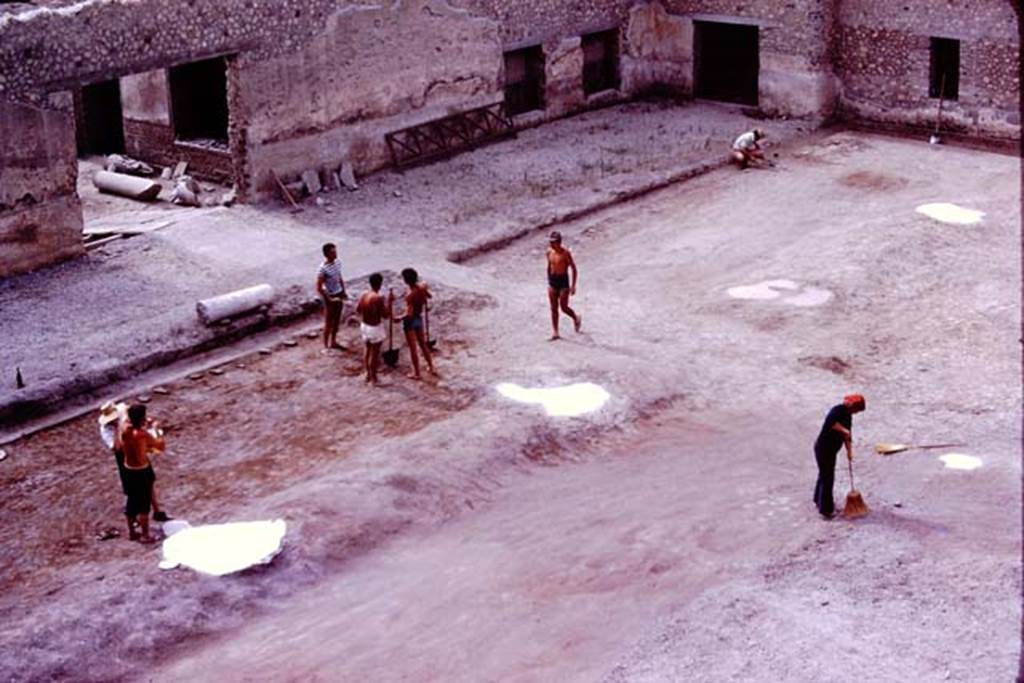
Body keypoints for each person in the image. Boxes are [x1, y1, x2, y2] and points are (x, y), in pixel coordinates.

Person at [98, 401, 170, 527]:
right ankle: (136, 517)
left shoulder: (126, 419)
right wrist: (117, 430)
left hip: (136, 454)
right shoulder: (112, 430)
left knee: (149, 482)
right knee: (134, 490)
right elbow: (116, 447)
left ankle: (156, 510)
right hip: (127, 458)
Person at [813, 394, 866, 519]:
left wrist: (849, 451)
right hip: (823, 449)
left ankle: (818, 500)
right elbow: (830, 423)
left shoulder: (848, 416)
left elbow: (848, 435)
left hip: (831, 451)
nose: (856, 412)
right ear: (852, 406)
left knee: (824, 474)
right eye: (856, 410)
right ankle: (826, 510)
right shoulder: (837, 410)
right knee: (828, 478)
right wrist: (843, 430)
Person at [120, 404, 166, 543]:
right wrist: (156, 429)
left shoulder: (124, 429)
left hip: (128, 469)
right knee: (143, 504)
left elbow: (125, 419)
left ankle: (132, 532)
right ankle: (145, 535)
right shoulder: (142, 434)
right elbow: (160, 446)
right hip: (141, 471)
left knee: (131, 501)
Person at [394, 267, 436, 380]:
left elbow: (409, 314)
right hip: (419, 319)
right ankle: (431, 366)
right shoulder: (421, 288)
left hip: (411, 321)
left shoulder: (410, 295)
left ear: (406, 280)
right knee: (422, 344)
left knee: (413, 348)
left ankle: (416, 373)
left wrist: (398, 318)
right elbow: (429, 296)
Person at [546, 231, 581, 340]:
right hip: (553, 281)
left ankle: (576, 317)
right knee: (553, 308)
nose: (551, 244)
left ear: (559, 242)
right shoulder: (549, 252)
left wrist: (573, 285)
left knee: (563, 307)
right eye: (550, 242)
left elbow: (574, 269)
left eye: (554, 242)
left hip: (563, 282)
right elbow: (549, 266)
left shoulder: (565, 253)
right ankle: (555, 332)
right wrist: (549, 279)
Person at [356, 273, 388, 385]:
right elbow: (386, 315)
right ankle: (374, 379)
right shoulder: (378, 298)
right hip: (374, 327)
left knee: (367, 350)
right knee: (374, 354)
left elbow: (358, 309)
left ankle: (367, 374)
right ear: (380, 283)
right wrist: (388, 303)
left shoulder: (364, 294)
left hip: (364, 325)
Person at [316, 242, 348, 352]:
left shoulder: (338, 263)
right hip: (330, 295)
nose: (335, 254)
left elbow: (340, 277)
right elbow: (319, 287)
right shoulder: (322, 269)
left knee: (337, 319)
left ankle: (333, 341)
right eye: (332, 252)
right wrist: (328, 298)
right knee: (329, 320)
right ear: (327, 254)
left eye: (335, 251)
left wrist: (343, 290)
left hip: (339, 293)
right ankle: (326, 345)